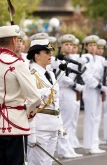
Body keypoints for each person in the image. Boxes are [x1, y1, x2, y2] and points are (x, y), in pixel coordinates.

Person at [0, 25, 41, 165]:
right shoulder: (18, 64)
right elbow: (34, 98)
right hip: (15, 125)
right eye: (17, 40)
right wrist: (28, 116)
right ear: (13, 41)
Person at [27, 39, 64, 165]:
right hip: (39, 126)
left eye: (50, 52)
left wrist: (60, 125)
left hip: (52, 125)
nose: (50, 55)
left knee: (48, 162)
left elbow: (56, 101)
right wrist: (31, 131)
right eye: (46, 52)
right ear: (36, 55)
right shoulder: (30, 74)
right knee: (37, 163)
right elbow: (28, 102)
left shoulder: (51, 74)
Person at [53, 34, 85, 158]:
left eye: (71, 44)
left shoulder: (71, 59)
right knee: (65, 123)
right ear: (61, 46)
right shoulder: (58, 60)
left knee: (71, 123)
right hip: (64, 92)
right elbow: (61, 78)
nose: (69, 46)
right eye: (66, 44)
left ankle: (69, 147)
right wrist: (75, 85)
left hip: (72, 92)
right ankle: (63, 149)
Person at [81, 35, 107, 154]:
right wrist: (98, 84)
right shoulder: (85, 58)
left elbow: (104, 73)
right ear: (86, 47)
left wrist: (102, 84)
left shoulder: (100, 59)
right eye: (90, 45)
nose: (93, 47)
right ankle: (88, 145)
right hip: (90, 89)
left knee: (97, 117)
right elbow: (86, 75)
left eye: (94, 45)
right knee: (90, 117)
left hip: (98, 88)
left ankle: (95, 143)